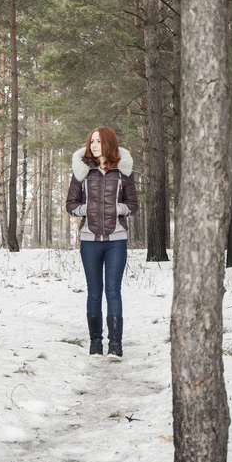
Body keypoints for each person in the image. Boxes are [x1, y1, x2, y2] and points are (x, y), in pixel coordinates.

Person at [66, 126, 138, 360]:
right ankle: (95, 343)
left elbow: (133, 205)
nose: (93, 145)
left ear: (108, 143)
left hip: (116, 240)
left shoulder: (123, 172)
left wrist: (118, 208)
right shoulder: (83, 171)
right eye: (91, 142)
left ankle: (115, 345)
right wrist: (88, 209)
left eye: (97, 141)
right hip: (90, 240)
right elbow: (71, 204)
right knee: (94, 293)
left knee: (113, 291)